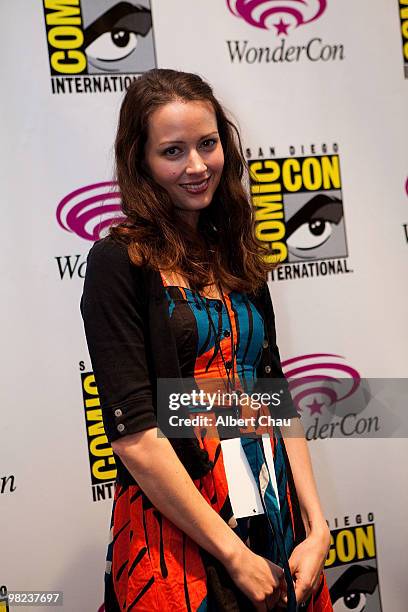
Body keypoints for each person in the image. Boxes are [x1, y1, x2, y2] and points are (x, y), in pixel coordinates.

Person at [81, 68, 332, 612]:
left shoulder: (235, 251)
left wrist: (318, 526)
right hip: (180, 529)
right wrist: (235, 558)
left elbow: (274, 392)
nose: (196, 166)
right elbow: (135, 436)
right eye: (173, 151)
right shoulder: (117, 263)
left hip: (272, 506)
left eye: (207, 144)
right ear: (141, 162)